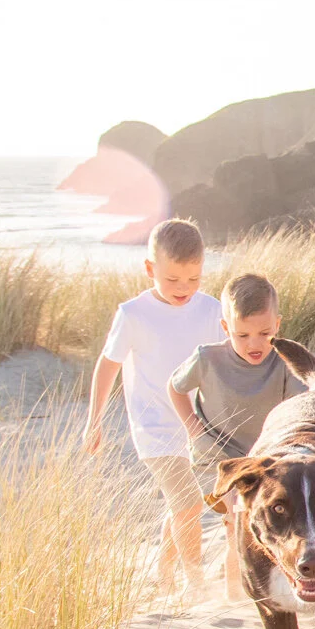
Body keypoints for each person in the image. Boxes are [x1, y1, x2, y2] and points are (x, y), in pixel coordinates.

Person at [84, 218, 223, 596]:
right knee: (189, 504)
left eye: (193, 278)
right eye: (173, 279)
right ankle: (195, 583)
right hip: (154, 430)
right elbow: (108, 365)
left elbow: (227, 361)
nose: (184, 288)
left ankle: (164, 572)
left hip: (198, 427)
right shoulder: (133, 314)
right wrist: (94, 421)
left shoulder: (211, 310)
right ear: (150, 269)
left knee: (181, 505)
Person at [167, 272, 306, 599]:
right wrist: (194, 429)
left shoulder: (284, 363)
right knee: (237, 521)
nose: (254, 344)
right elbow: (175, 388)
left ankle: (259, 585)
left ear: (277, 325)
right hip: (216, 455)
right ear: (225, 327)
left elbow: (300, 405)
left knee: (273, 523)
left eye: (265, 333)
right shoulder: (207, 358)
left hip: (265, 457)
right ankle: (236, 597)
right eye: (242, 335)